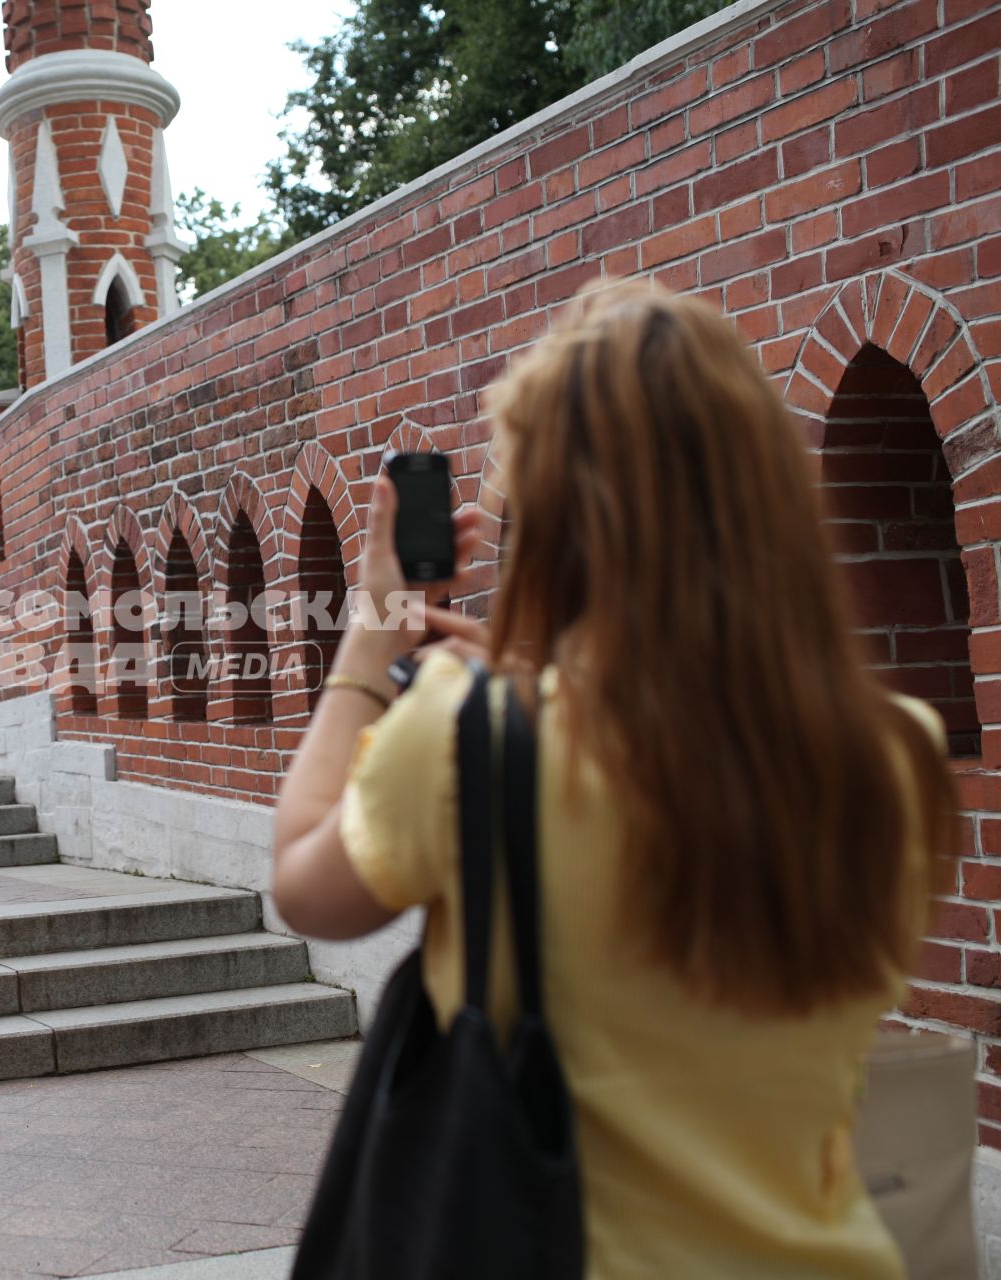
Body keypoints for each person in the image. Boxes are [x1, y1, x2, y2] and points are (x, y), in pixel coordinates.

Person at [271, 278, 954, 1277]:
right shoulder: (897, 747)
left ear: (551, 514)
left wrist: (372, 647)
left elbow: (303, 883)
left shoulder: (464, 736)